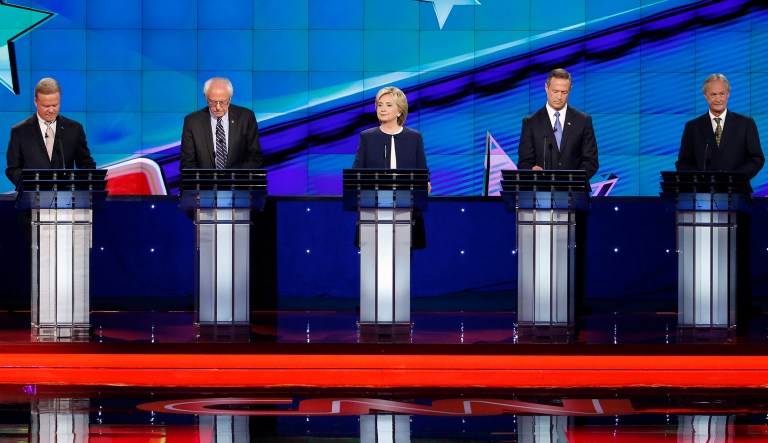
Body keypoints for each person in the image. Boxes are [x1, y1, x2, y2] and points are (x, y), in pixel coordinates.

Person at [352, 86, 429, 247]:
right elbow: (356, 174)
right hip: (374, 209)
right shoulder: (367, 137)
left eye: (388, 105)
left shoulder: (414, 137)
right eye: (379, 105)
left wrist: (425, 184)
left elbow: (422, 172)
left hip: (406, 208)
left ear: (400, 111)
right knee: (372, 266)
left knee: (402, 264)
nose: (382, 109)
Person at [5, 77, 96, 186]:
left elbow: (86, 164)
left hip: (65, 198)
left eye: (55, 105)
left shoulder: (74, 129)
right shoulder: (19, 131)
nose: (51, 110)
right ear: (36, 102)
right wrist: (31, 184)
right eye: (46, 106)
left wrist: (84, 185)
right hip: (32, 197)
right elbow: (13, 169)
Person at [676, 73, 764, 179]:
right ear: (705, 95)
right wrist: (701, 179)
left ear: (728, 94)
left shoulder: (746, 124)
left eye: (722, 94)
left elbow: (756, 159)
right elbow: (683, 163)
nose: (718, 99)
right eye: (713, 94)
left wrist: (735, 178)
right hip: (703, 192)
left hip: (736, 190)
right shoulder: (692, 127)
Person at [517, 68, 599, 180]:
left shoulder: (583, 121)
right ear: (546, 88)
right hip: (542, 191)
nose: (559, 97)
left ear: (570, 90)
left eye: (564, 92)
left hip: (574, 191)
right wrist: (532, 171)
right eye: (555, 91)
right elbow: (524, 163)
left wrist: (572, 181)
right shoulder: (531, 122)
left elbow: (591, 161)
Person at [180, 77, 263, 170]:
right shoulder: (192, 122)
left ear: (230, 99)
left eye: (223, 102)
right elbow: (188, 163)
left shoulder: (246, 117)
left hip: (238, 181)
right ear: (206, 98)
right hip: (205, 183)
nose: (218, 107)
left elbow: (255, 157)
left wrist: (232, 178)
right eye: (213, 102)